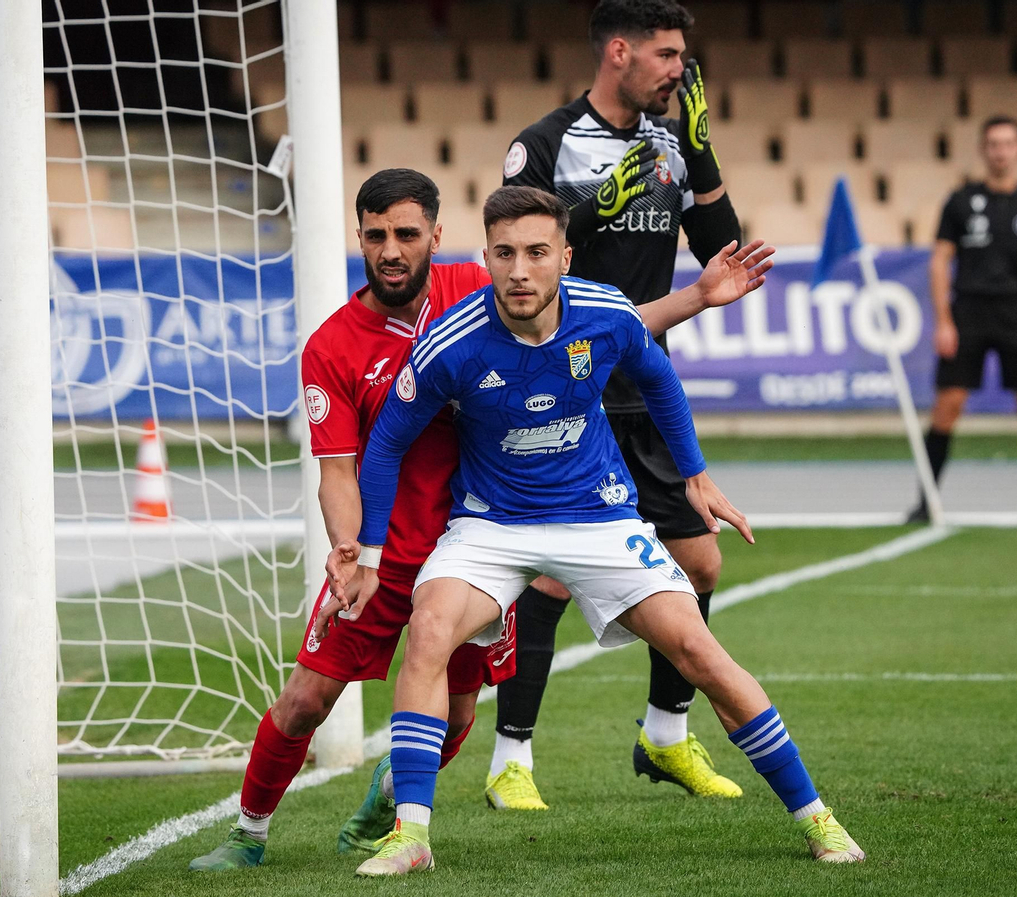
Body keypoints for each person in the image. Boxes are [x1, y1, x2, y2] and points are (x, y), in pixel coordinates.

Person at [189, 169, 773, 871]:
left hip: (477, 545)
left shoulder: (479, 286)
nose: (392, 249)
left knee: (459, 718)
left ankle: (390, 795)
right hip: (385, 552)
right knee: (306, 698)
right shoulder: (332, 347)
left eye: (407, 233)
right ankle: (249, 832)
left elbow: (603, 322)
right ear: (360, 240)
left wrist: (697, 298)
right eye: (376, 235)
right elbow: (338, 470)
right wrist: (351, 547)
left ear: (436, 236)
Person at [328, 186, 862, 877]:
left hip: (600, 517)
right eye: (505, 253)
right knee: (428, 630)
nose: (520, 269)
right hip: (491, 526)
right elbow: (386, 445)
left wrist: (694, 475)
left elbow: (658, 376)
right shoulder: (450, 341)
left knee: (699, 651)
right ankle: (412, 835)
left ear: (565, 256)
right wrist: (366, 551)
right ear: (484, 256)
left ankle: (816, 815)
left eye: (537, 252)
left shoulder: (604, 314)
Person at [491, 0, 746, 809]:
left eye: (684, 56)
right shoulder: (543, 145)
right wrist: (594, 208)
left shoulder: (672, 140)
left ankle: (664, 739)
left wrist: (702, 157)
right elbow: (523, 274)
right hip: (564, 384)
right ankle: (510, 761)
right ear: (621, 52)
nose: (681, 69)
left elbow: (718, 255)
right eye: (669, 55)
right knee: (554, 580)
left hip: (644, 378)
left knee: (699, 561)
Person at [907, 115, 1017, 526]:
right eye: (993, 144)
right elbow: (940, 262)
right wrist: (944, 320)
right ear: (984, 150)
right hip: (969, 312)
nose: (1001, 151)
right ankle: (925, 503)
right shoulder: (960, 201)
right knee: (948, 405)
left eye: (1008, 143)